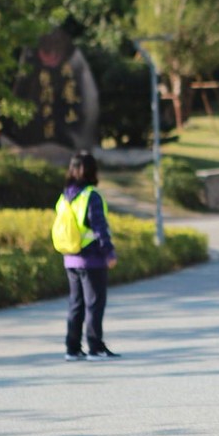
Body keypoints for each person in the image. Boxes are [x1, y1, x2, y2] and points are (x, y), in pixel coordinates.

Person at [59, 152, 120, 362]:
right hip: (91, 259)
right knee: (94, 303)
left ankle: (72, 348)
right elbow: (99, 228)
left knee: (76, 304)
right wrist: (109, 253)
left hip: (70, 258)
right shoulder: (91, 196)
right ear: (91, 171)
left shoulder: (65, 196)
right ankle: (95, 347)